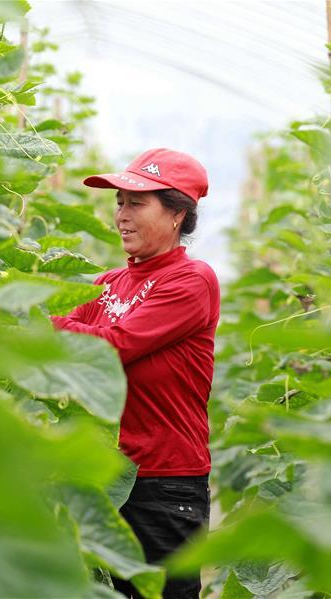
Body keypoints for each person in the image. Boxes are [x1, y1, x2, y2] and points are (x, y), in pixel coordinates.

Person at [50, 148, 220, 599]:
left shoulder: (191, 280)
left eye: (137, 203)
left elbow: (113, 346)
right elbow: (58, 331)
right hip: (104, 477)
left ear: (177, 215)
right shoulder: (108, 283)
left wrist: (34, 323)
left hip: (165, 484)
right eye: (120, 202)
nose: (122, 215)